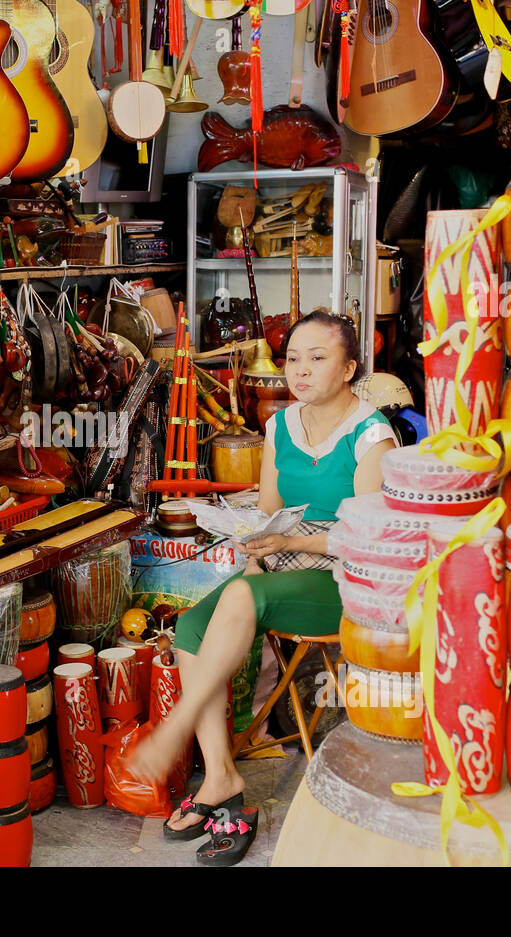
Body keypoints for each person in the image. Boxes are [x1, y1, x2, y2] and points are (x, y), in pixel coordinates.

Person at [130, 310, 398, 866]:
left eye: (317, 358)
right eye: (292, 358)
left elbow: (370, 537)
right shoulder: (279, 427)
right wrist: (255, 549)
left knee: (241, 597)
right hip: (280, 561)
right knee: (189, 626)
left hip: (342, 575)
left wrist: (287, 551)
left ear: (349, 368)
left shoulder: (373, 434)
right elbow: (272, 515)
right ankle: (221, 778)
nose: (299, 370)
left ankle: (176, 727)